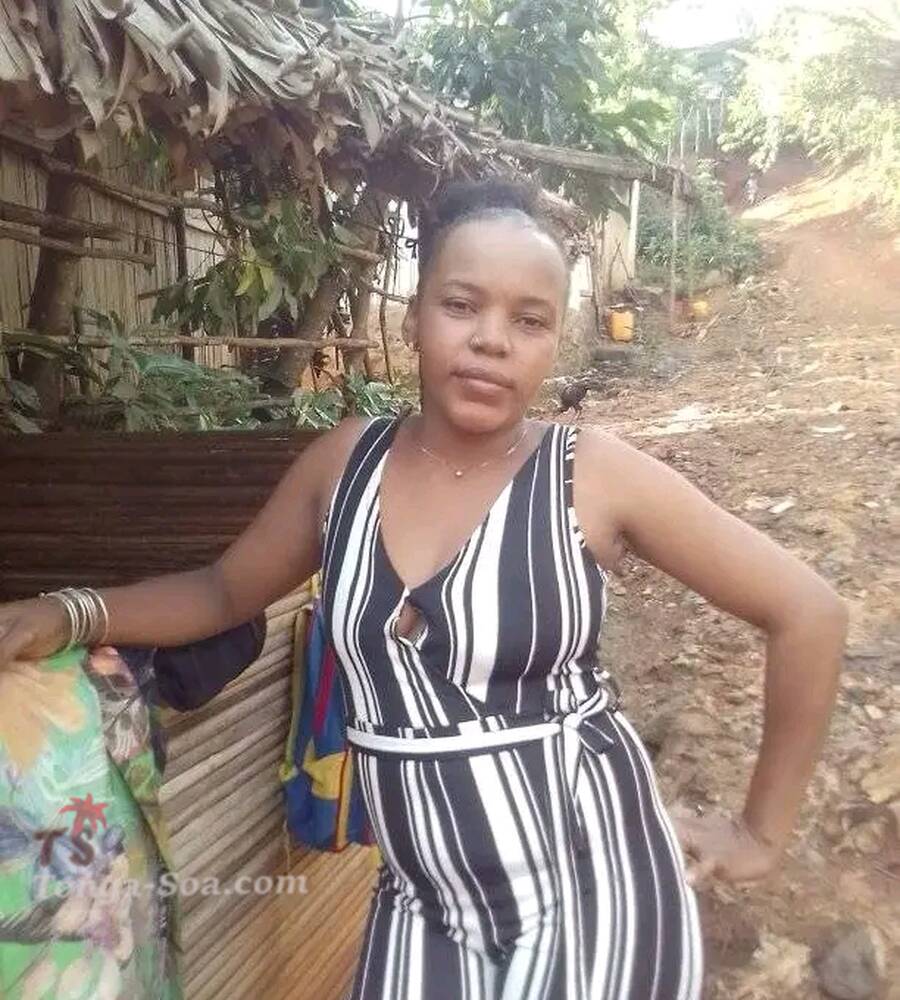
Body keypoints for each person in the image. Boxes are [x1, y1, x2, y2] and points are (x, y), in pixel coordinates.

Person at [0, 181, 846, 999]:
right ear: (413, 316)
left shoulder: (590, 475)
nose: (491, 340)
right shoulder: (345, 465)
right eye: (461, 305)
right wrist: (71, 612)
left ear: (555, 341)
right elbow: (225, 592)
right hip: (422, 903)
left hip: (594, 889)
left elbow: (807, 611)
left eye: (529, 320)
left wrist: (758, 833)